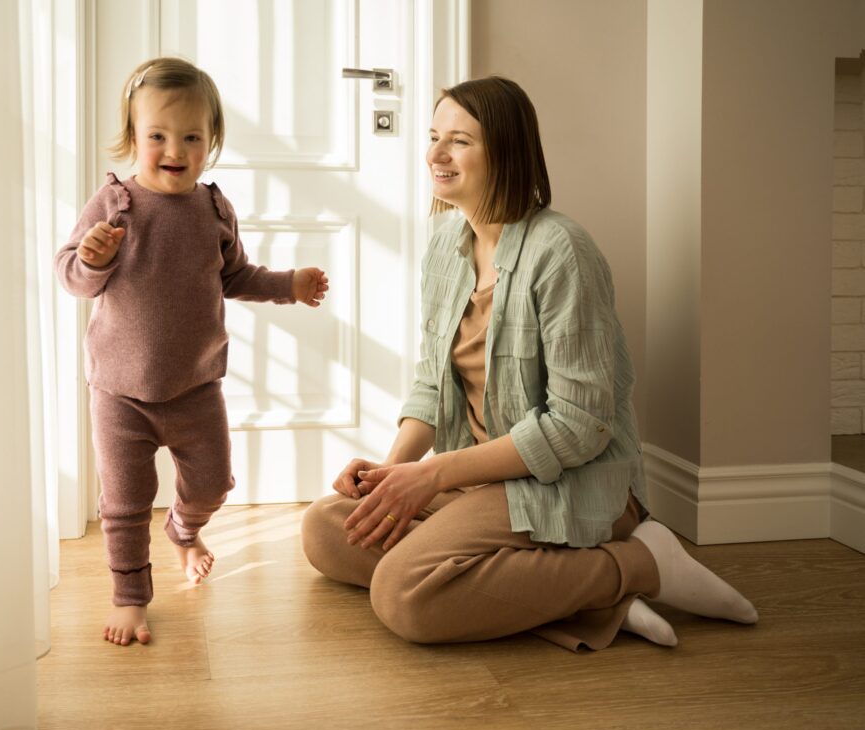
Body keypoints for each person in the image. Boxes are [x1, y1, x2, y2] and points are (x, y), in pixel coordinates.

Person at [301, 76, 757, 650]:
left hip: (563, 482)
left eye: (459, 141)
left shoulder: (562, 251)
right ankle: (578, 599)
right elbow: (430, 379)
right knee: (324, 528)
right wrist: (393, 475)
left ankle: (640, 564)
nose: (436, 155)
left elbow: (580, 425)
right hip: (479, 477)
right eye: (434, 136)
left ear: (506, 153)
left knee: (402, 594)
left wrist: (433, 475)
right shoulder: (446, 244)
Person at [56, 57, 329, 647]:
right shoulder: (115, 205)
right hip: (120, 391)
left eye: (191, 137)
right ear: (133, 137)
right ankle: (130, 596)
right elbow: (72, 277)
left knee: (214, 483)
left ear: (211, 143)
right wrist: (93, 258)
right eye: (157, 135)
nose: (173, 148)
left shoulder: (212, 210)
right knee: (125, 503)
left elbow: (236, 276)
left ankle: (184, 529)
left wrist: (289, 285)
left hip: (197, 387)